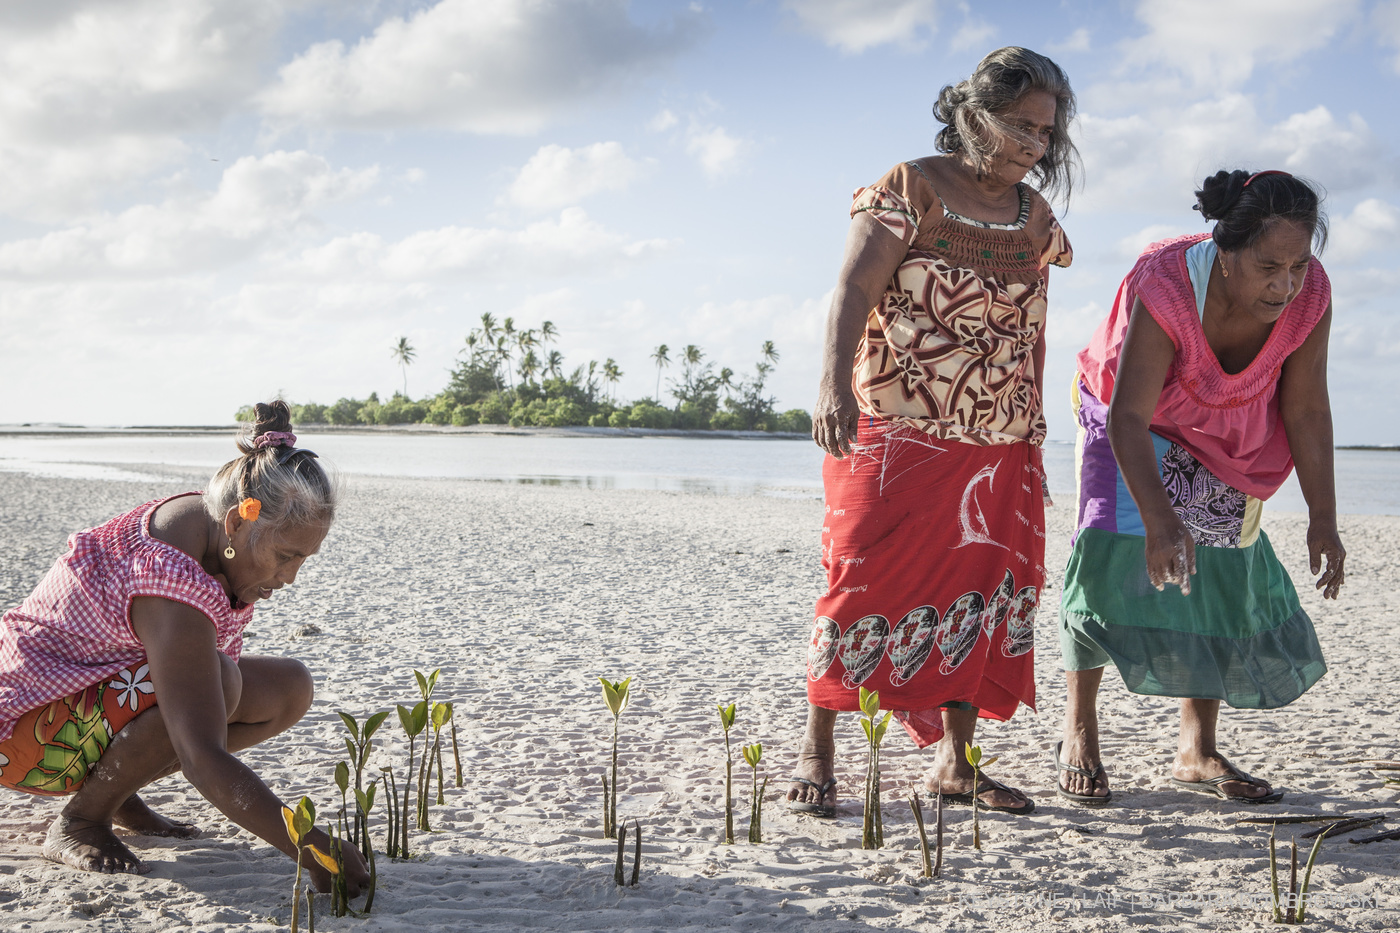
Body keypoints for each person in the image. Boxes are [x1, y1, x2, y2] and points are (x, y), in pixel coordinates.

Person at [788, 47, 1076, 818]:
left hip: (997, 441)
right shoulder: (908, 187)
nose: (1035, 145)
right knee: (859, 581)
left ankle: (957, 761)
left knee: (977, 597)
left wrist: (1032, 437)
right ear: (973, 117)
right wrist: (830, 386)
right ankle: (819, 747)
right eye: (1020, 126)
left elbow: (1032, 337)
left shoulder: (1035, 217)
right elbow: (853, 287)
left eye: (1046, 133)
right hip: (894, 428)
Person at [1055, 170, 1343, 807]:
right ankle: (1079, 731)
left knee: (1214, 568)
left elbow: (1307, 410)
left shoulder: (1310, 293)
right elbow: (1129, 415)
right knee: (1107, 555)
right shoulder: (1168, 283)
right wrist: (1159, 518)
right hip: (1127, 413)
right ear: (1227, 250)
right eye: (1269, 265)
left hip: (1228, 428)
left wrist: (1323, 516)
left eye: (1298, 265)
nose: (1285, 283)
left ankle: (1197, 747)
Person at [0, 401, 370, 891]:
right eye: (285, 556)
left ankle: (116, 786)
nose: (290, 577)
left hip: (87, 702)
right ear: (238, 523)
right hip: (25, 736)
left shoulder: (214, 529)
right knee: (218, 681)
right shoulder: (171, 578)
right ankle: (82, 820)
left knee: (289, 687)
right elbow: (201, 755)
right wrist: (310, 846)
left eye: (304, 559)